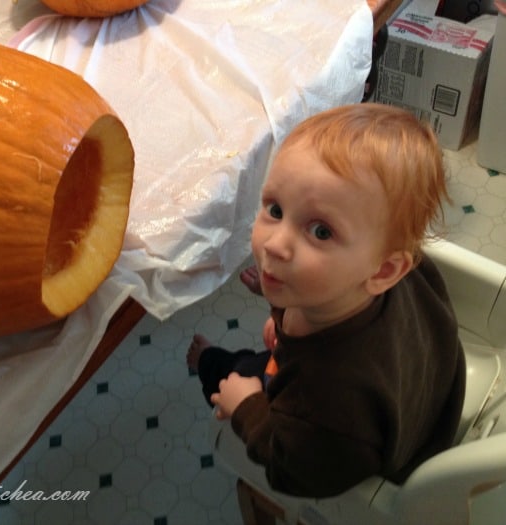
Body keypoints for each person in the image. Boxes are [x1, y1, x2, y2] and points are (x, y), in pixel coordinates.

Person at [187, 103, 466, 498]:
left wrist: (248, 408)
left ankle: (206, 363)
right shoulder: (387, 275)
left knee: (230, 372)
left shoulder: (331, 403)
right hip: (419, 389)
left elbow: (292, 471)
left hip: (353, 454)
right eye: (275, 209)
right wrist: (284, 312)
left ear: (385, 271)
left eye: (320, 232)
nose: (275, 244)